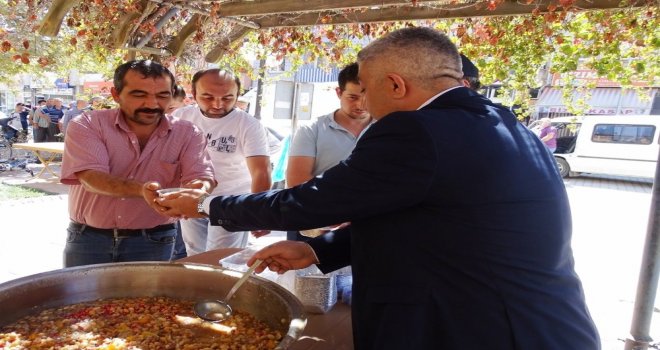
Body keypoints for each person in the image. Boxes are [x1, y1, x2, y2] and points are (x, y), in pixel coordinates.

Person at [158, 27, 600, 350]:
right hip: (538, 325)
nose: (363, 103)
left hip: (484, 330)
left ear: (395, 85)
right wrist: (319, 251)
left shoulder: (415, 130)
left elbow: (312, 200)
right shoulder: (499, 120)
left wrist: (205, 204)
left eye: (367, 90)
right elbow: (429, 219)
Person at [60, 59, 216, 268]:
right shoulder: (88, 124)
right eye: (139, 95)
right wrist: (141, 190)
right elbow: (91, 178)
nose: (152, 104)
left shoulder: (188, 133)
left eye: (162, 95)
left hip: (155, 240)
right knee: (82, 300)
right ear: (116, 95)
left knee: (150, 301)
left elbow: (201, 175)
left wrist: (198, 190)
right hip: (88, 239)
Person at [171, 69, 271, 254]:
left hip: (231, 202)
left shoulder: (248, 124)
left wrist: (260, 213)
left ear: (237, 95)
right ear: (194, 94)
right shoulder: (180, 117)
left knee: (222, 259)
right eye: (208, 97)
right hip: (192, 198)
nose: (217, 104)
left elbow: (261, 171)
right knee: (195, 256)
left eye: (227, 98)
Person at [285, 62, 372, 241]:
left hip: (367, 227)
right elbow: (297, 180)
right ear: (338, 93)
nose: (361, 104)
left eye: (366, 96)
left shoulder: (387, 129)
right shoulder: (311, 129)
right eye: (353, 97)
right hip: (315, 227)